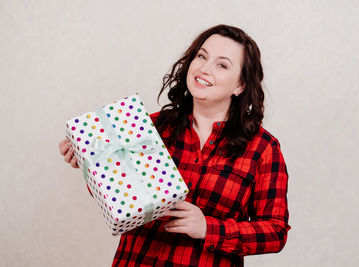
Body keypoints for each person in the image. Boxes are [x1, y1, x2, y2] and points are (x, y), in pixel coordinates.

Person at [58, 24, 290, 267]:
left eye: (221, 65)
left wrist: (207, 228)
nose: (204, 68)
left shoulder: (263, 148)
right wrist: (90, 162)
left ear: (240, 85)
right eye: (202, 56)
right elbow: (119, 198)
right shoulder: (150, 127)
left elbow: (275, 232)